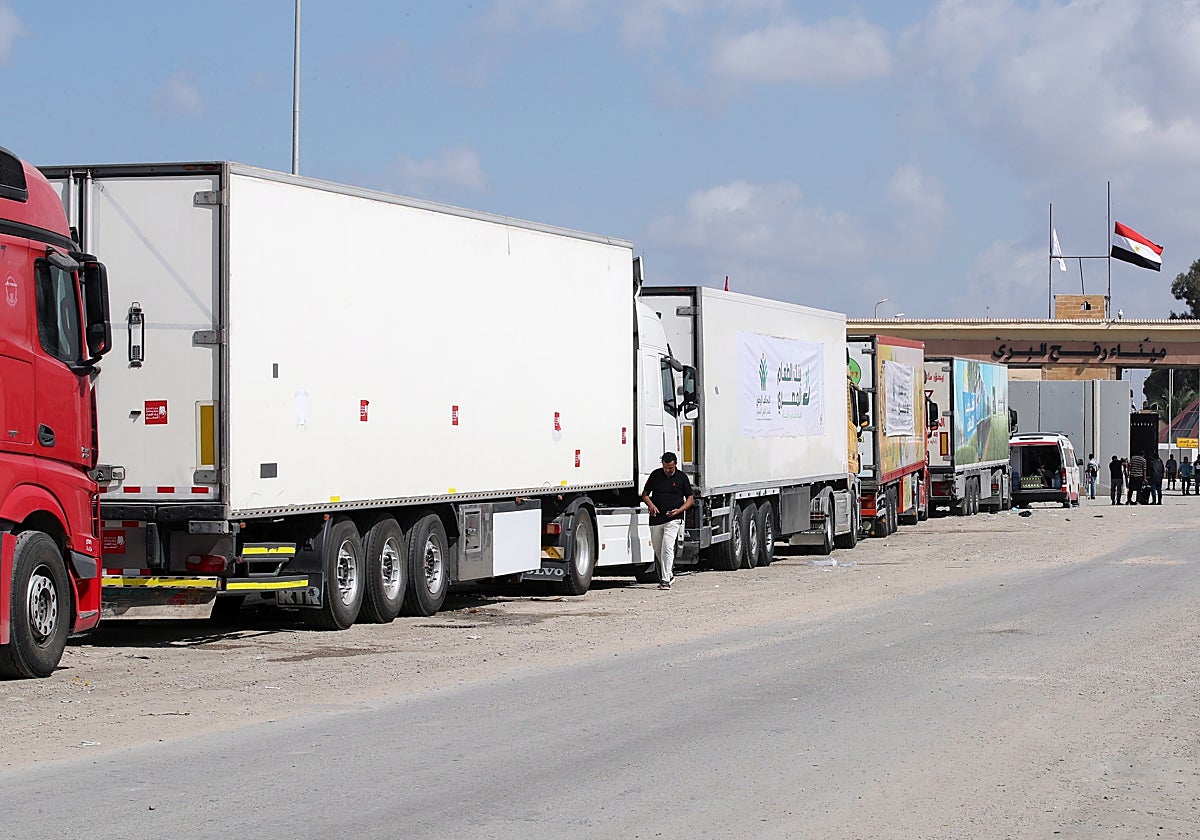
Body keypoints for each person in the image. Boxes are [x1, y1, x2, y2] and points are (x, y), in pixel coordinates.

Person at [641, 452, 693, 590]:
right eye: (665, 468)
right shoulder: (655, 475)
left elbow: (690, 498)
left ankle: (665, 581)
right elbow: (644, 494)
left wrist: (679, 511)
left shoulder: (681, 477)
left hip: (674, 518)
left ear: (675, 464)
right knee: (658, 549)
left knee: (667, 546)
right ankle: (669, 574)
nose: (668, 471)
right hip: (656, 518)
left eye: (670, 468)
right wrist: (651, 506)